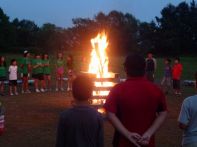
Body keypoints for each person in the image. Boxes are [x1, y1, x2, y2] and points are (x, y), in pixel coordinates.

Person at [104, 54, 167, 147]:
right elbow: (163, 113)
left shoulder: (117, 89)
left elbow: (109, 113)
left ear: (125, 69)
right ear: (145, 68)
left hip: (122, 142)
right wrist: (149, 133)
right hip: (147, 142)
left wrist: (127, 134)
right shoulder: (156, 90)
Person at [56, 75, 104, 147]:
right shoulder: (98, 116)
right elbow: (100, 143)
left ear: (73, 92)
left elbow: (60, 143)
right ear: (91, 94)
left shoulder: (64, 116)